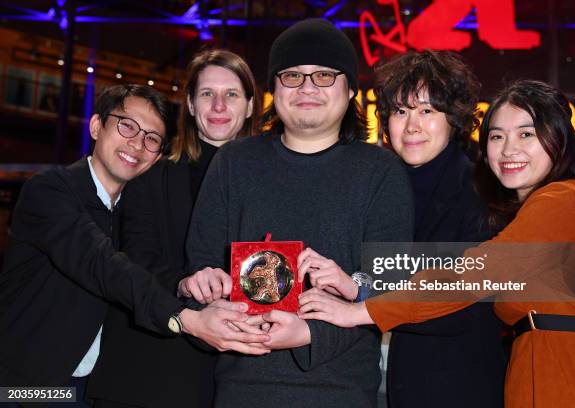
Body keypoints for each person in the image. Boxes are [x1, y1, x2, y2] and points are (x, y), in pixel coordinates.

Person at [299, 80, 575, 408]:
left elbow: (473, 274)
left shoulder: (565, 198)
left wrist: (359, 311)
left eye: (526, 134)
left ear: (559, 138)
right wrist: (359, 291)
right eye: (496, 136)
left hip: (574, 380)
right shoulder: (525, 213)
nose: (508, 149)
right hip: (536, 376)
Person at [181, 18, 413, 408]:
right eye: (292, 76)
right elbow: (200, 262)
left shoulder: (381, 172)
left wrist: (310, 334)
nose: (307, 88)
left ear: (350, 89)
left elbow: (390, 290)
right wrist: (201, 287)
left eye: (324, 75)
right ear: (273, 89)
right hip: (240, 388)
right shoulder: (234, 163)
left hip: (340, 392)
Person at [0, 84, 268, 406]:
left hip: (86, 387)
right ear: (97, 126)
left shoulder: (132, 212)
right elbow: (102, 264)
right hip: (24, 386)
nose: (137, 144)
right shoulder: (50, 192)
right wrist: (186, 319)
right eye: (127, 126)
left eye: (151, 138)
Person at [87, 49, 262, 408]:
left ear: (249, 106)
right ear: (191, 105)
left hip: (235, 379)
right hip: (151, 374)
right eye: (206, 94)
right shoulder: (151, 174)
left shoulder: (271, 184)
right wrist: (183, 284)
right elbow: (133, 261)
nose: (218, 106)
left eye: (231, 94)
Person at [368, 50, 505, 407]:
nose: (412, 125)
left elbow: (463, 299)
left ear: (455, 119)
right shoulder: (383, 187)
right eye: (401, 112)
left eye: (427, 111)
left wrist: (361, 294)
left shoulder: (482, 190)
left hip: (464, 387)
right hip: (402, 385)